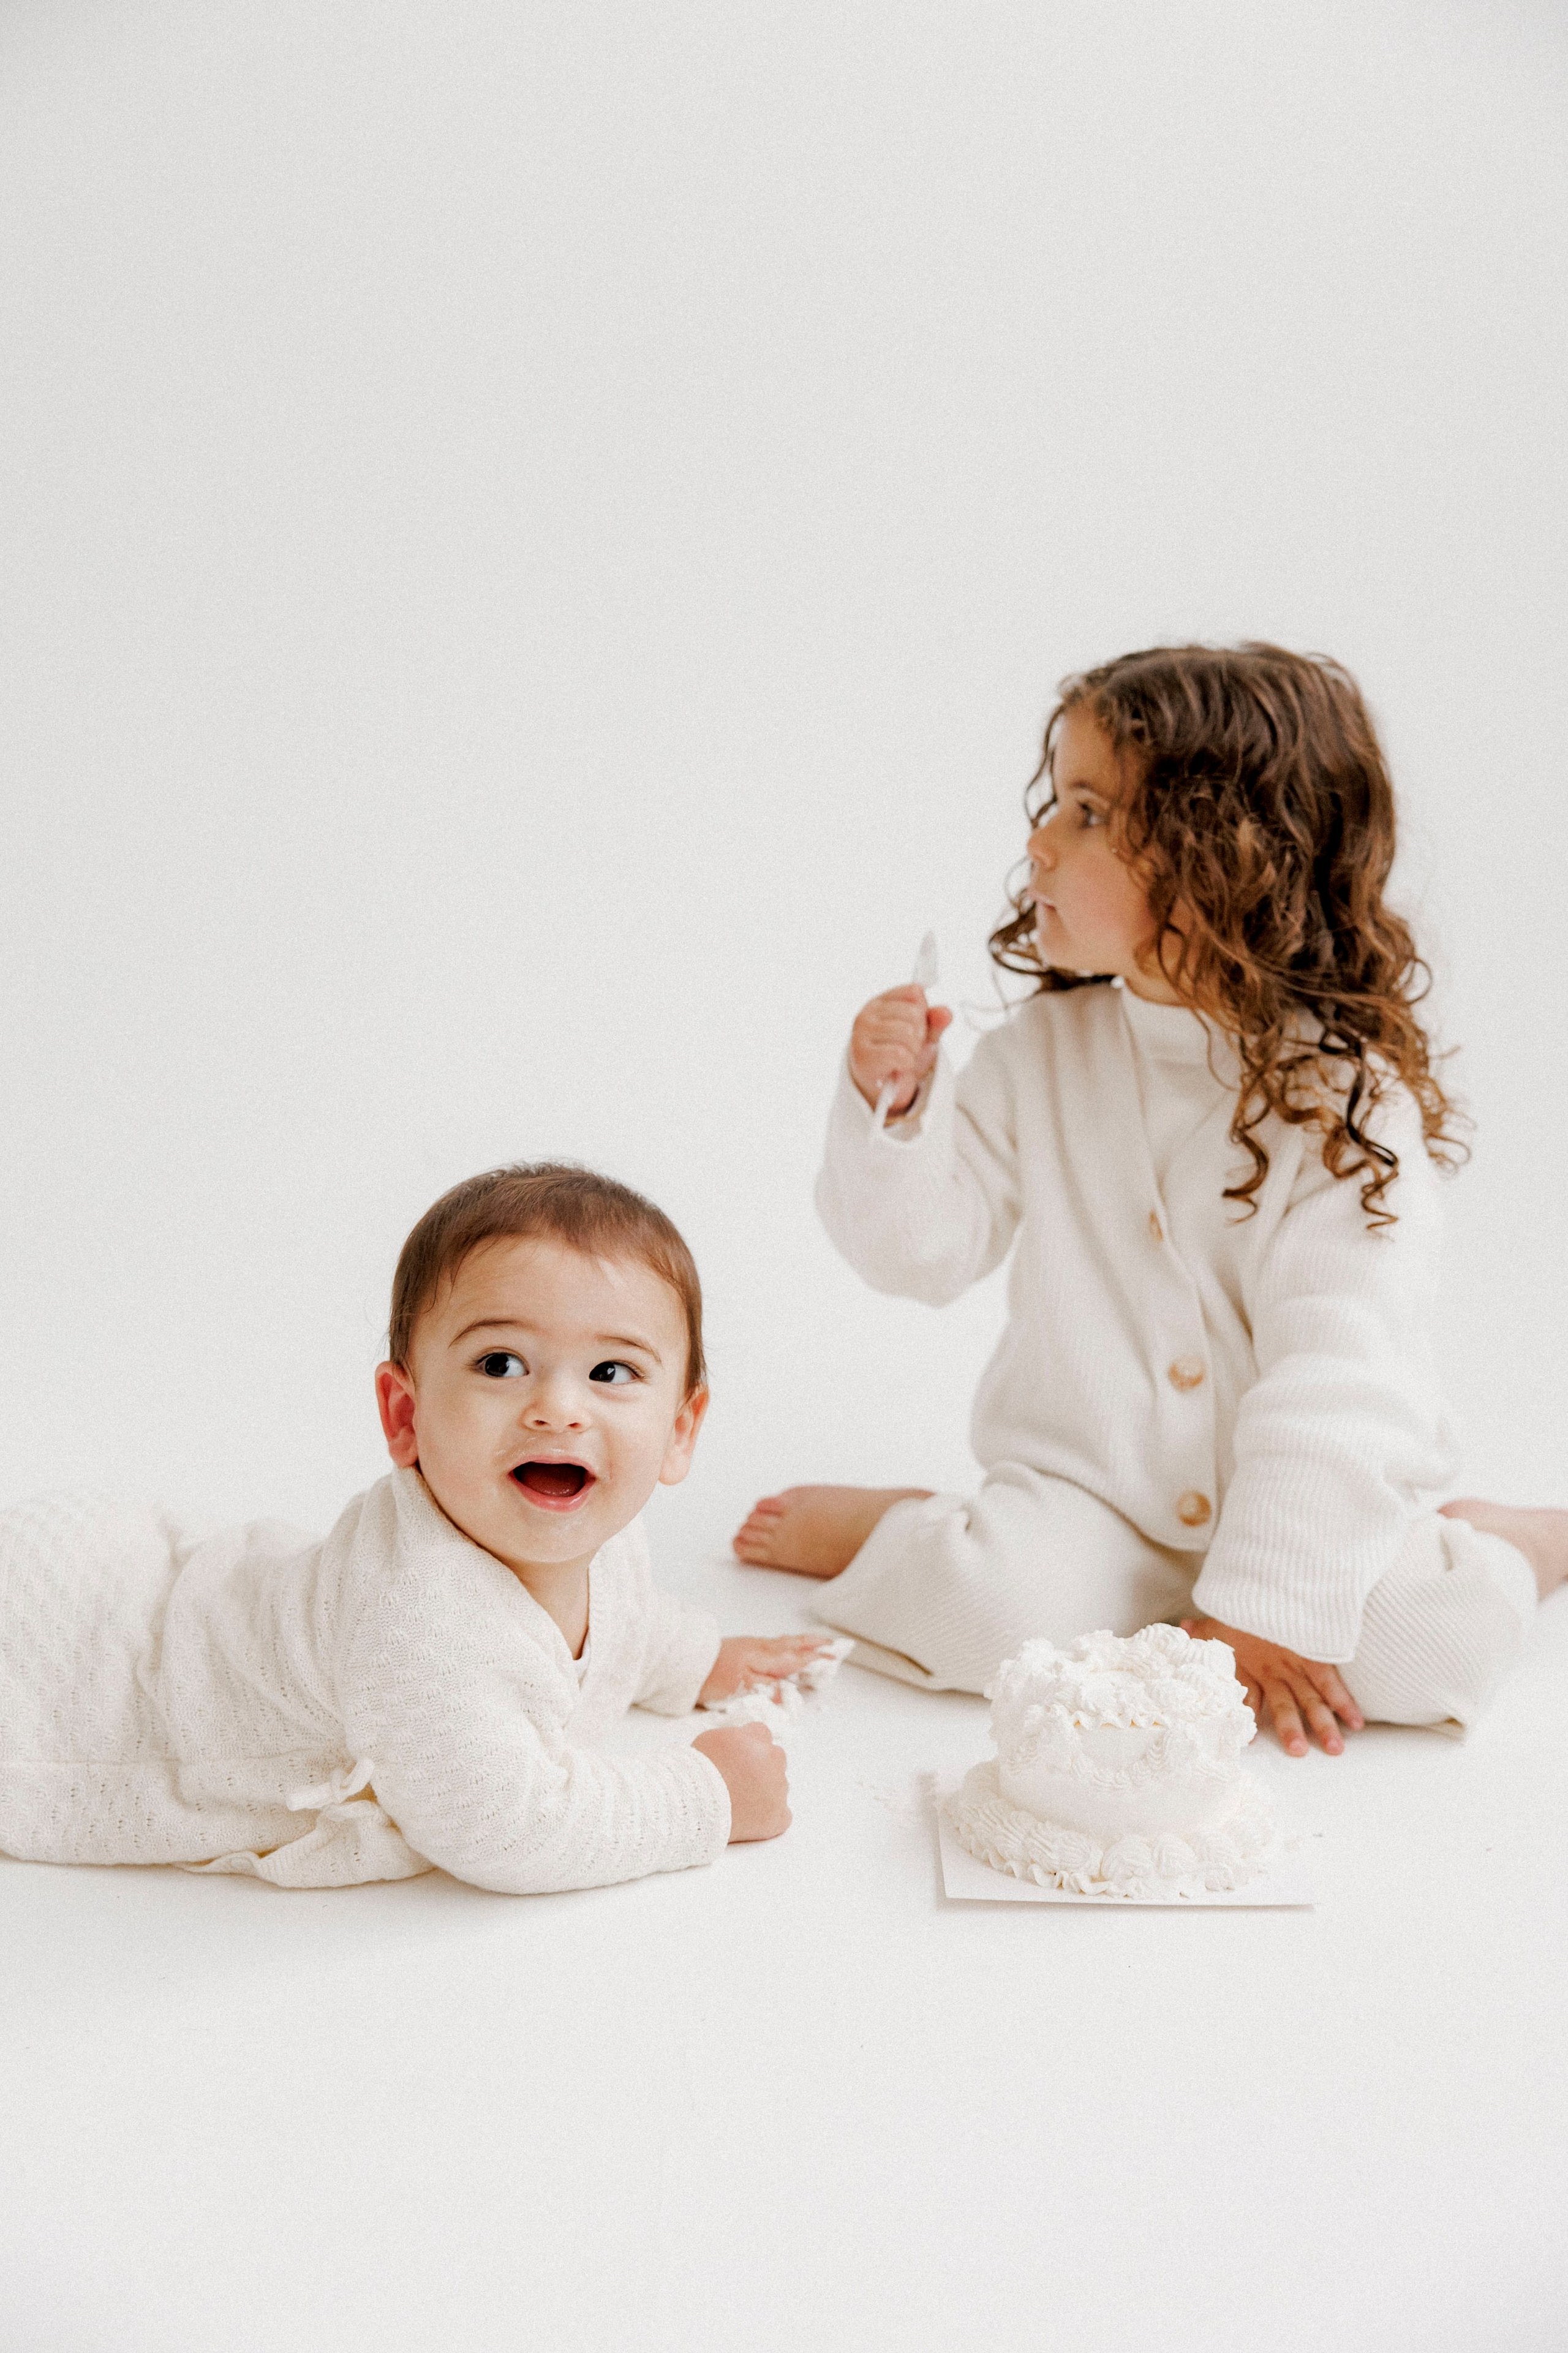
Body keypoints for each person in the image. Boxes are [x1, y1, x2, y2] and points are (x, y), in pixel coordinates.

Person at [734, 643, 1568, 1753]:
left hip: (1307, 1495)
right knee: (987, 1618)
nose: (1038, 842)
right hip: (1092, 1494)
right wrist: (891, 1112)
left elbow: (1345, 1370)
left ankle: (1520, 1542)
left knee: (1431, 1644)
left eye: (1087, 812)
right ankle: (895, 1524)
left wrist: (1262, 1605)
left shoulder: (1343, 1101)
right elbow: (922, 1254)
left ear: (1225, 858)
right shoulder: (1042, 1052)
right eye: (1056, 802)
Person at [1, 1163, 823, 1890]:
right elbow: (509, 1826)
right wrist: (703, 1796)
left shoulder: (603, 1531)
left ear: (680, 1429)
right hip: (78, 1656)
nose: (559, 1410)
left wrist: (699, 1659)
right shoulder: (420, 1620)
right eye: (500, 1363)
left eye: (612, 1371)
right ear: (406, 1413)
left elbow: (624, 1616)